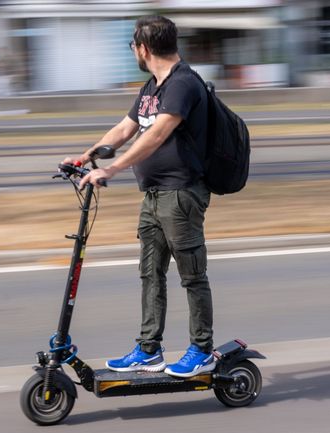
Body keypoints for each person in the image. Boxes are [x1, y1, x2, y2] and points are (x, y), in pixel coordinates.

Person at [65, 15, 214, 378]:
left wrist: (111, 169)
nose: (133, 51)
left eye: (133, 45)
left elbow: (156, 135)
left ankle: (202, 349)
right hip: (153, 196)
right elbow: (125, 128)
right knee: (150, 273)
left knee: (192, 275)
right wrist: (87, 156)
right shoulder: (152, 86)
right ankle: (149, 349)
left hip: (181, 195)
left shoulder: (183, 84)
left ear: (143, 48)